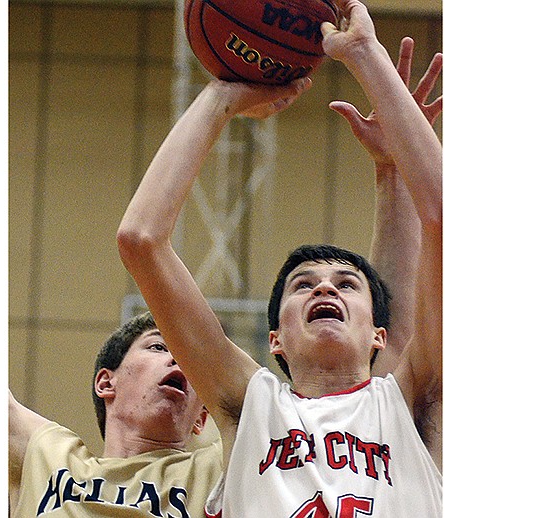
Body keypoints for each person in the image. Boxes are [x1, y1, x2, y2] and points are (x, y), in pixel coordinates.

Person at [116, 0, 442, 515]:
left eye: (346, 284)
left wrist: (365, 56)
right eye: (303, 284)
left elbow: (444, 218)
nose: (324, 288)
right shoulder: (253, 407)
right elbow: (140, 239)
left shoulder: (414, 404)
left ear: (379, 334)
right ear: (275, 342)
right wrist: (222, 93)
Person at [8, 312, 223, 517]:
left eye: (191, 360)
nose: (179, 360)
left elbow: (253, 389)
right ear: (106, 383)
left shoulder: (219, 467)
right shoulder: (45, 455)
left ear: (201, 419)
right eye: (158, 347)